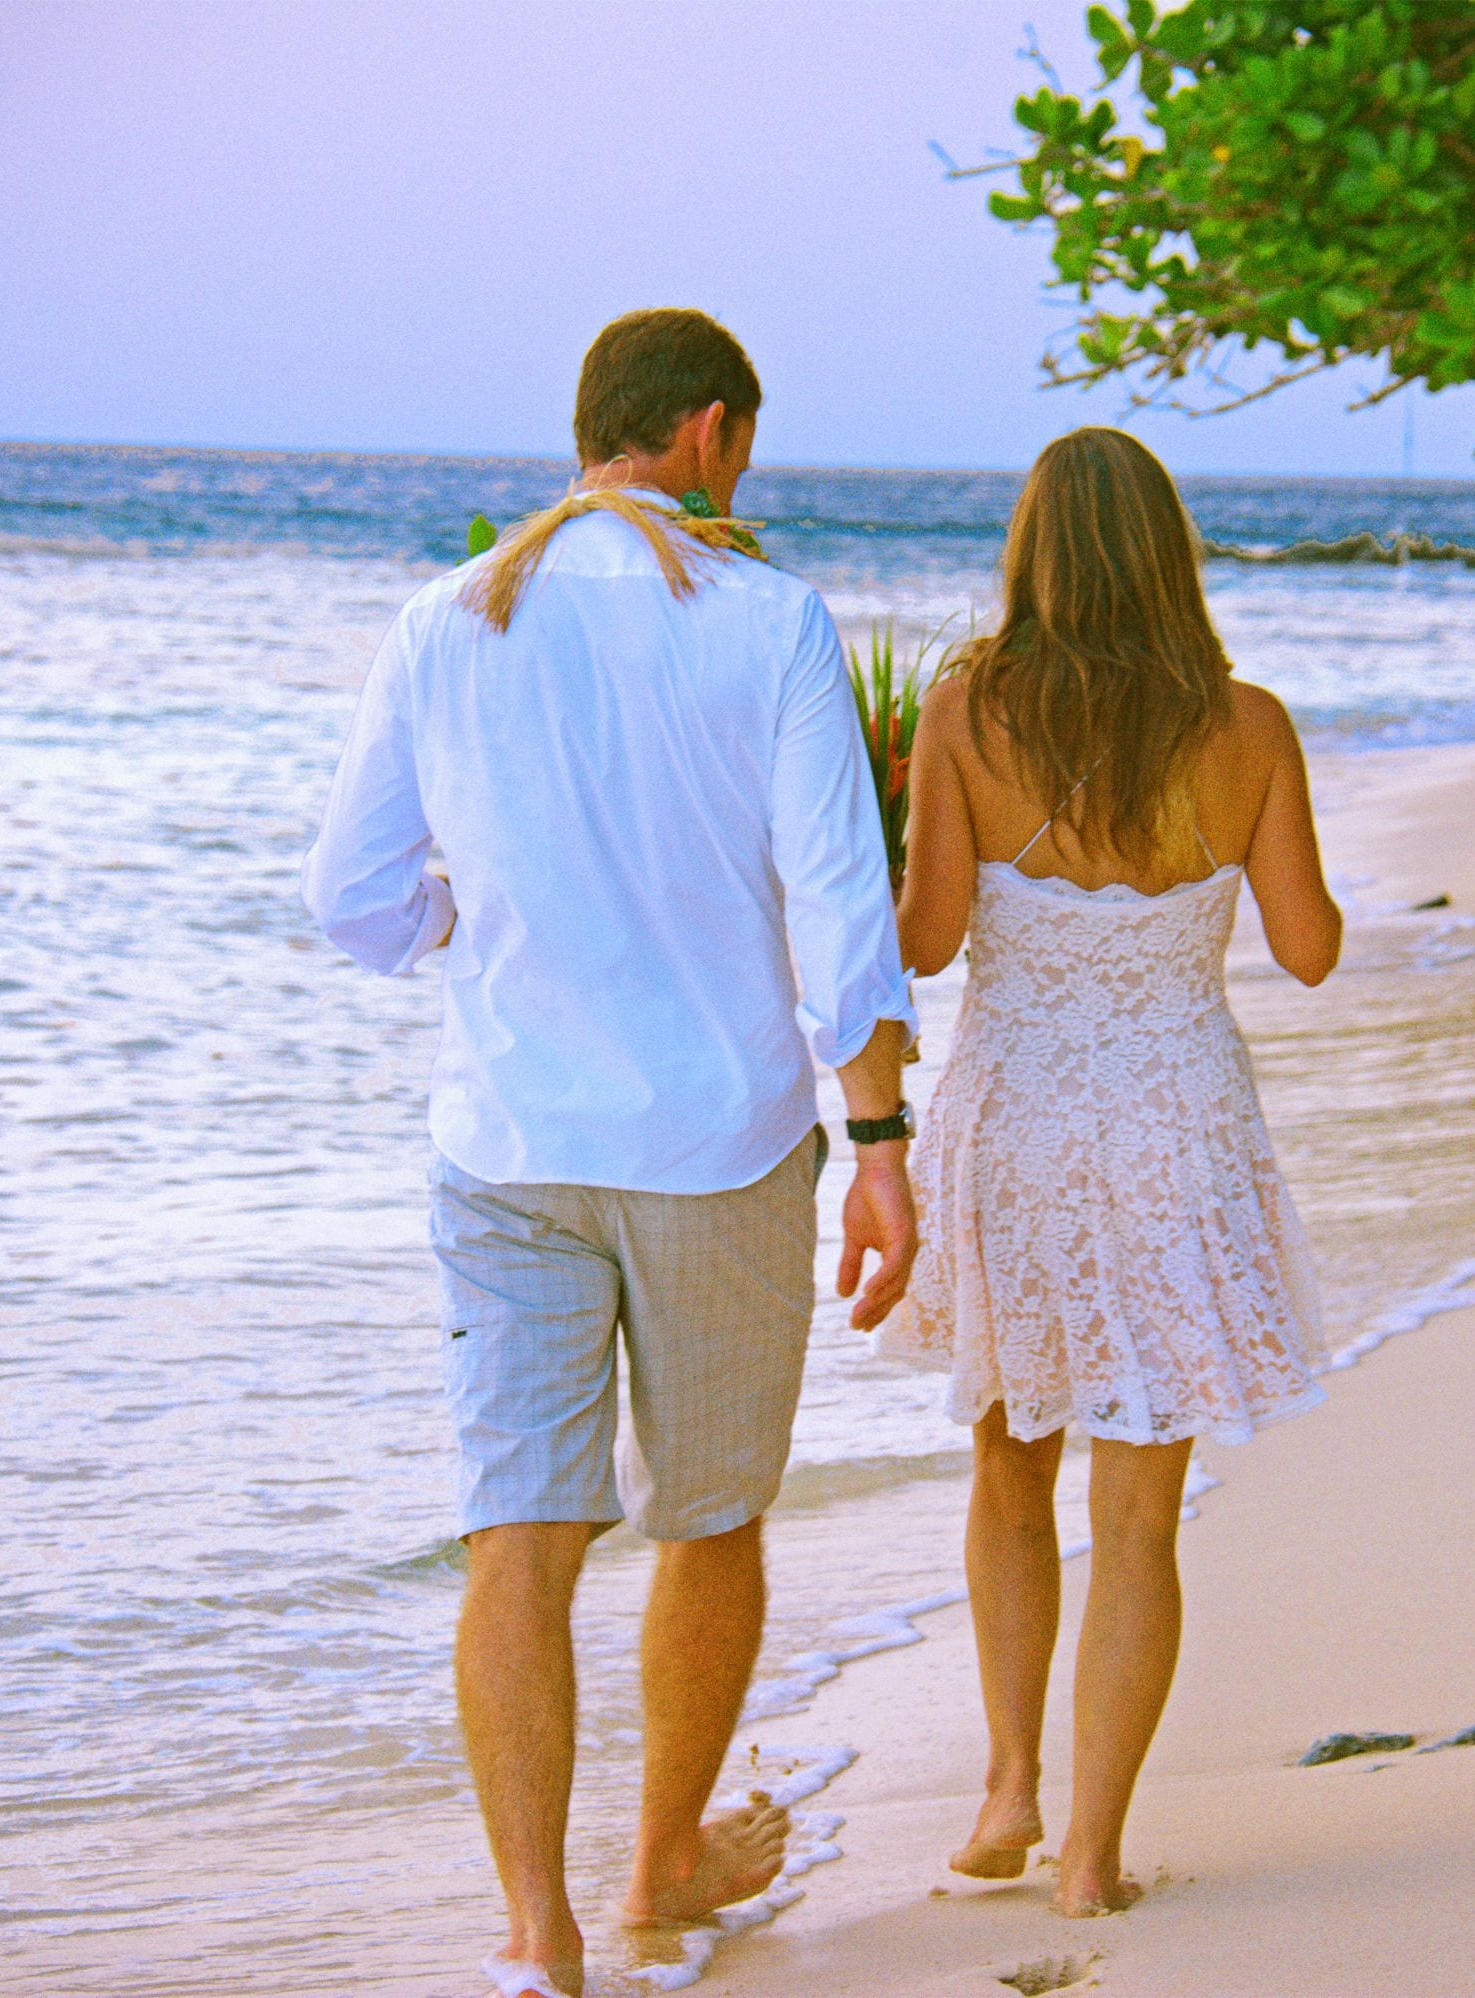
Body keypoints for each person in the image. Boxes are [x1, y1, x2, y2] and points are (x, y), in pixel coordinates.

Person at [300, 308, 920, 1998]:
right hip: (718, 1147)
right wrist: (878, 1142)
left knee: (522, 1540)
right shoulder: (770, 622)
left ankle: (537, 1939)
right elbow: (839, 921)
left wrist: (464, 917)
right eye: (746, 450)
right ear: (710, 433)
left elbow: (353, 899)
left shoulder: (445, 616)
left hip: (505, 1145)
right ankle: (656, 1868)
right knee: (708, 1524)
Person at [878, 425, 1340, 1918]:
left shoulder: (965, 712)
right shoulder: (1248, 722)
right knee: (1142, 1512)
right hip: (1177, 1131)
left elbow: (929, 942)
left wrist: (908, 806)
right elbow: (1311, 948)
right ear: (1169, 555)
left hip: (1016, 1122)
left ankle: (1006, 1788)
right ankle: (1090, 1854)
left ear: (1034, 554)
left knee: (1010, 1467)